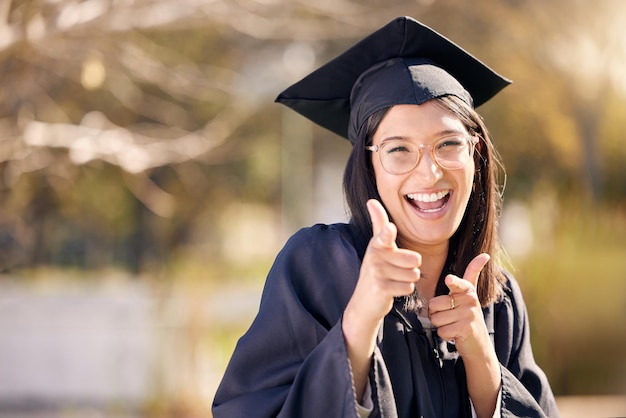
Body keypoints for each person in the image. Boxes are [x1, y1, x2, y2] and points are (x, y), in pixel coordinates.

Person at [212, 16, 559, 418]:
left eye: (448, 144)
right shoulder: (319, 268)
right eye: (399, 150)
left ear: (476, 155)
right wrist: (360, 319)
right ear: (368, 165)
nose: (429, 172)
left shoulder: (499, 299)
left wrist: (482, 360)